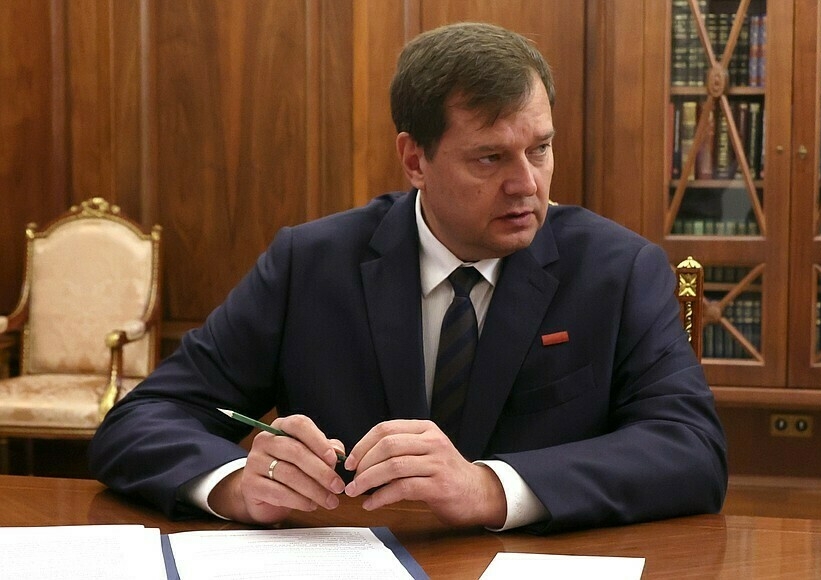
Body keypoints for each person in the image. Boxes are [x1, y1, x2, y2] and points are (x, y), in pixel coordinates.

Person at [89, 21, 727, 533]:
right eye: (490, 158)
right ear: (414, 160)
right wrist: (236, 484)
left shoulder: (618, 270)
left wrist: (488, 487)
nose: (526, 184)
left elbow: (691, 450)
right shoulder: (309, 264)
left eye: (540, 149)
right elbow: (142, 420)